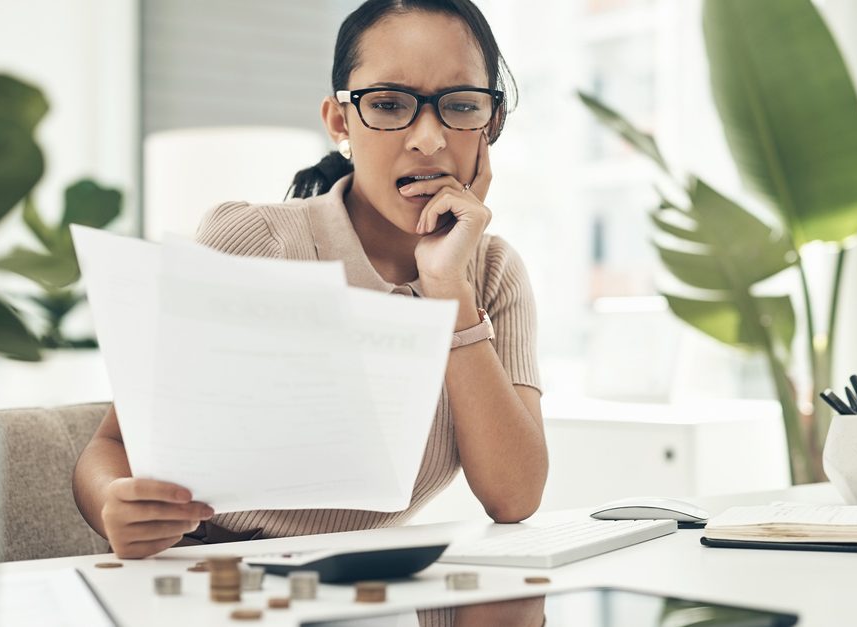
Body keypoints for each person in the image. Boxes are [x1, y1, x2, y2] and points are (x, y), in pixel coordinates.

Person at [73, 0, 546, 559]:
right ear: (340, 122)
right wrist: (115, 505)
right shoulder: (252, 241)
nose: (428, 138)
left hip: (365, 589)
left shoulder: (490, 274)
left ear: (488, 125)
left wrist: (449, 292)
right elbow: (111, 446)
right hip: (207, 574)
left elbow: (514, 498)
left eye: (460, 106)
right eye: (389, 104)